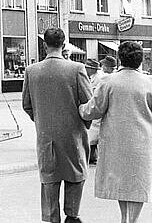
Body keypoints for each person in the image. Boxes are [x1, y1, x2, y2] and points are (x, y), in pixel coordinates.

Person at [22, 28, 92, 223]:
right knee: (76, 176)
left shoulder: (31, 70)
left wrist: (42, 120)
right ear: (64, 45)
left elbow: (27, 105)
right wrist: (84, 123)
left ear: (44, 45)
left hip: (47, 139)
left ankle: (52, 218)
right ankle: (72, 215)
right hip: (73, 138)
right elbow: (88, 105)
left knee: (49, 182)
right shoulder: (76, 69)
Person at [80, 42, 152, 223]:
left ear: (120, 58)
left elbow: (93, 110)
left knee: (122, 181)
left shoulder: (109, 82)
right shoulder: (148, 83)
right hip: (142, 143)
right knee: (137, 183)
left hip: (117, 143)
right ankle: (133, 220)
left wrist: (80, 108)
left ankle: (124, 218)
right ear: (140, 60)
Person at [89, 56, 117, 165]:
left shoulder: (105, 78)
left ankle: (94, 156)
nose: (103, 67)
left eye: (105, 65)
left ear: (109, 67)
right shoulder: (106, 76)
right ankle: (94, 155)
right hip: (108, 109)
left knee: (95, 135)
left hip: (103, 108)